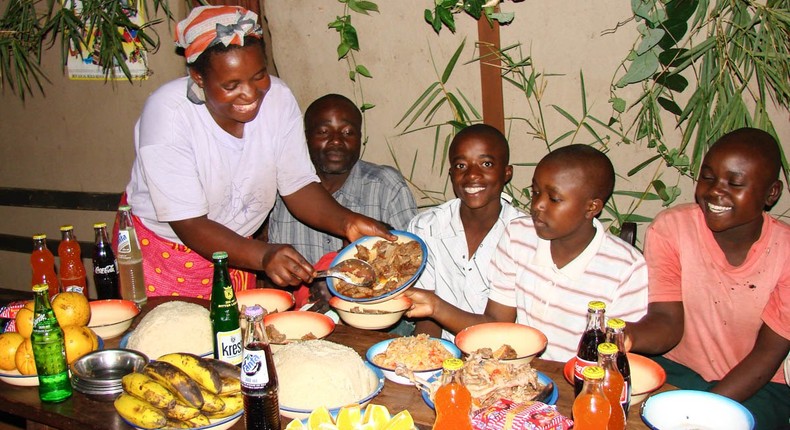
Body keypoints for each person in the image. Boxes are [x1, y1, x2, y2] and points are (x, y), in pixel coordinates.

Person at [123, 6, 392, 298]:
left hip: (239, 249)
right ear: (198, 78)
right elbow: (189, 223)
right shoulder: (169, 115)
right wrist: (262, 256)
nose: (251, 94)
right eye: (231, 85)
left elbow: (298, 184)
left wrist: (347, 221)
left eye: (259, 75)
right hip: (167, 254)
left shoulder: (277, 99)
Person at [405, 144, 648, 361]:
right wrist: (435, 306)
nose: (537, 205)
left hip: (585, 383)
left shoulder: (625, 268)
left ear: (592, 207)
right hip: (522, 375)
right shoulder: (519, 236)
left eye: (553, 198)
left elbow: (618, 358)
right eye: (535, 193)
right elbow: (495, 325)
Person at [626, 128, 790, 430]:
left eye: (735, 183)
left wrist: (699, 410)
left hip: (757, 386)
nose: (715, 191)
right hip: (677, 369)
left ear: (772, 193)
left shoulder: (786, 253)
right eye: (708, 177)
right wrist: (628, 336)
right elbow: (667, 321)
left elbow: (768, 354)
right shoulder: (672, 229)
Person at [267, 94, 417, 265]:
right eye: (323, 132)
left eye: (348, 132)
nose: (336, 141)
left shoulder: (387, 187)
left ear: (360, 138)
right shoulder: (283, 193)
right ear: (305, 138)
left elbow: (412, 261)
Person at [407, 124, 523, 340]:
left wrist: (435, 307)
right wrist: (427, 358)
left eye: (486, 164)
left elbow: (500, 330)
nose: (472, 175)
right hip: (443, 352)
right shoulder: (426, 227)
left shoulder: (524, 235)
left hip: (504, 355)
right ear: (451, 174)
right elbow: (426, 318)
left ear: (507, 173)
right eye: (461, 165)